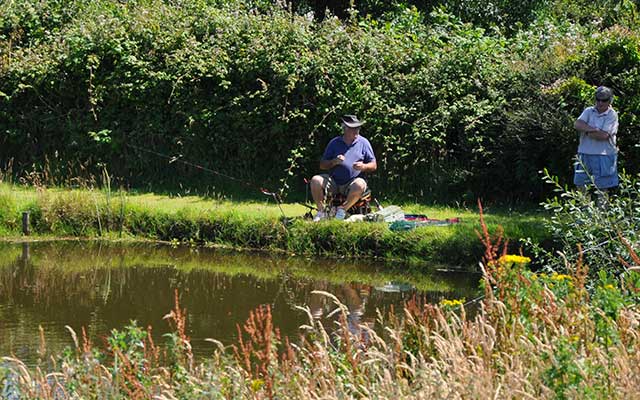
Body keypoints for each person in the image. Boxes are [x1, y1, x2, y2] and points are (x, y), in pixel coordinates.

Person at [310, 115, 377, 221]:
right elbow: (322, 165)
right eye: (353, 128)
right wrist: (334, 161)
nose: (357, 131)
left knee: (360, 184)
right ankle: (322, 212)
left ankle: (341, 211)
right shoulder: (334, 143)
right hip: (334, 182)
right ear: (345, 129)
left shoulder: (363, 142)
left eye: (358, 128)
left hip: (352, 182)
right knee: (315, 180)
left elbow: (373, 165)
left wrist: (363, 166)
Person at [573, 86, 619, 204]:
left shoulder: (612, 115)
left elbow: (603, 136)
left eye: (603, 100)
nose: (600, 102)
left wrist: (586, 130)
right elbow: (577, 124)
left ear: (610, 101)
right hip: (584, 153)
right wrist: (593, 130)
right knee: (580, 184)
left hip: (604, 155)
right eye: (598, 99)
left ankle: (601, 217)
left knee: (602, 188)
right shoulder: (589, 111)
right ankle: (584, 214)